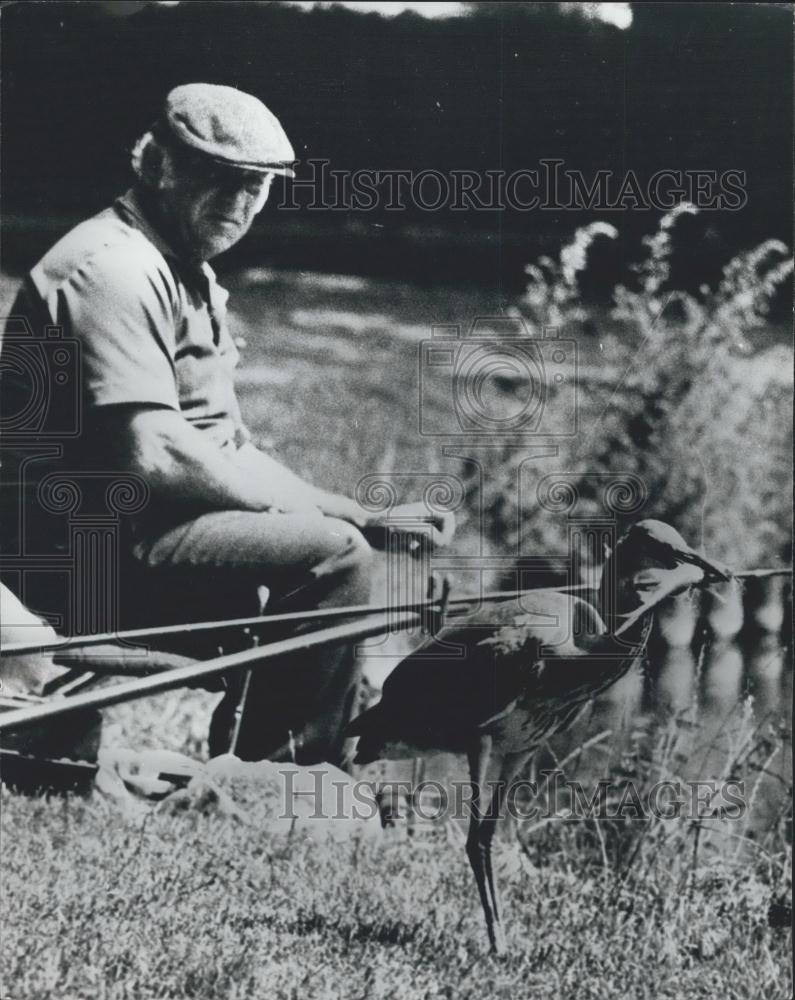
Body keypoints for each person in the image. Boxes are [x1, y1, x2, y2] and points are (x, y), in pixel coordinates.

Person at [0, 84, 451, 767]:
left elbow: (224, 448)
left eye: (258, 186)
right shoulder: (116, 269)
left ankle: (304, 763)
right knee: (331, 557)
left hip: (135, 528)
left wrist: (360, 513)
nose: (239, 205)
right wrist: (314, 522)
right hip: (77, 547)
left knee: (336, 543)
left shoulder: (182, 270)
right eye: (219, 178)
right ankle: (272, 780)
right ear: (156, 165)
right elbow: (157, 454)